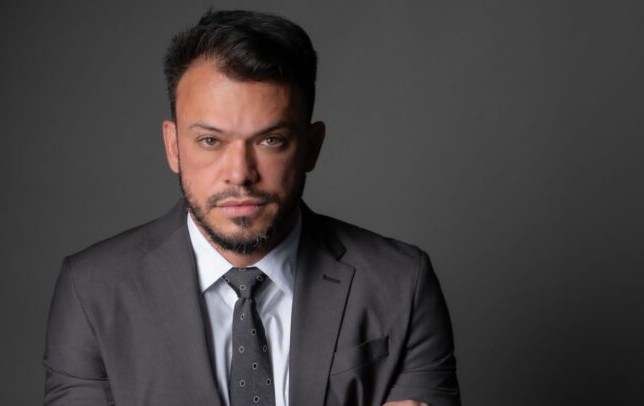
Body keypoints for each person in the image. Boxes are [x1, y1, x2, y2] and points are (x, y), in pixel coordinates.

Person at [43, 9, 460, 406]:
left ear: (311, 147)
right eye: (211, 141)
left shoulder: (400, 284)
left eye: (270, 140)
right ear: (173, 146)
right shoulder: (93, 291)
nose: (240, 174)